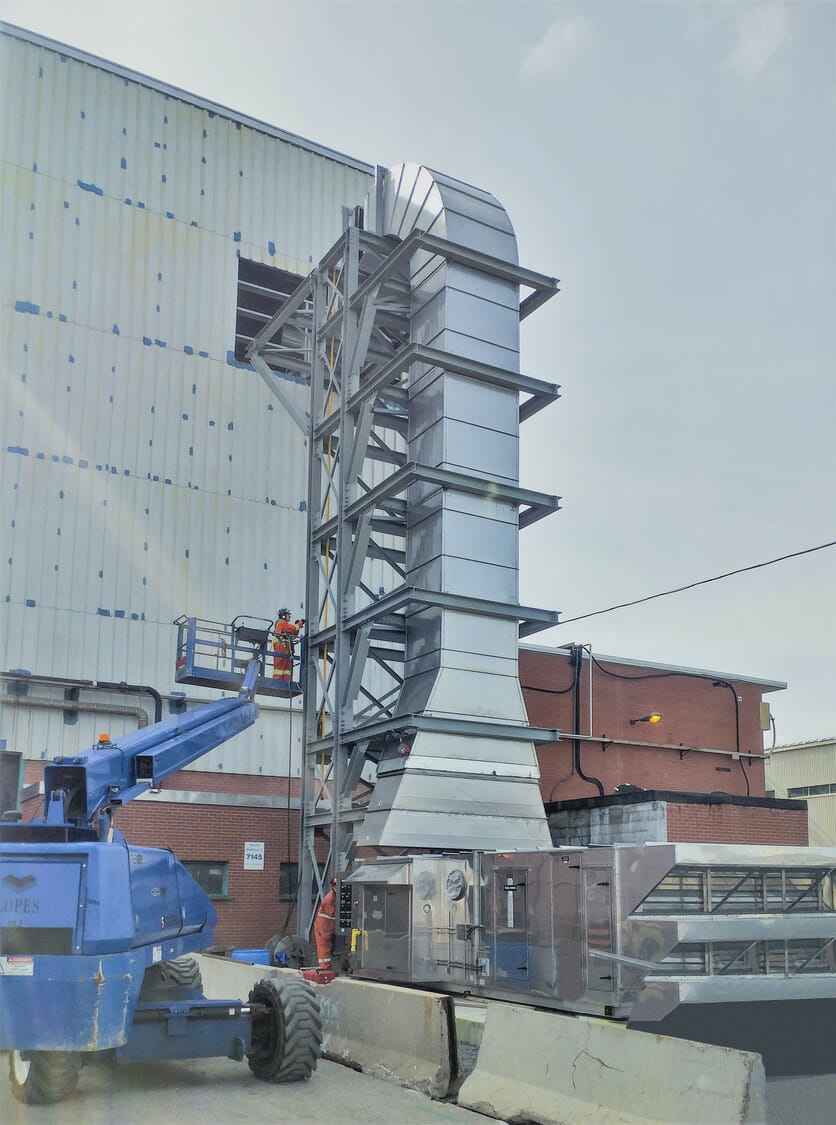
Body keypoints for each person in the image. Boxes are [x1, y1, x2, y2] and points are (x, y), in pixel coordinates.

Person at [271, 608, 304, 681]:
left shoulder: (284, 624)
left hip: (285, 647)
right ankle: (277, 681)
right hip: (281, 646)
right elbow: (292, 628)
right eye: (288, 615)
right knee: (280, 664)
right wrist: (299, 624)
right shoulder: (281, 623)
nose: (289, 617)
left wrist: (297, 627)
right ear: (283, 616)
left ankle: (286, 681)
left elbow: (293, 633)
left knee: (286, 666)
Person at [314, 877, 337, 970]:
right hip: (324, 926)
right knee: (323, 946)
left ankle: (326, 967)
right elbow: (333, 913)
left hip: (328, 925)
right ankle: (325, 968)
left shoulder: (334, 896)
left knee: (327, 946)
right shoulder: (329, 899)